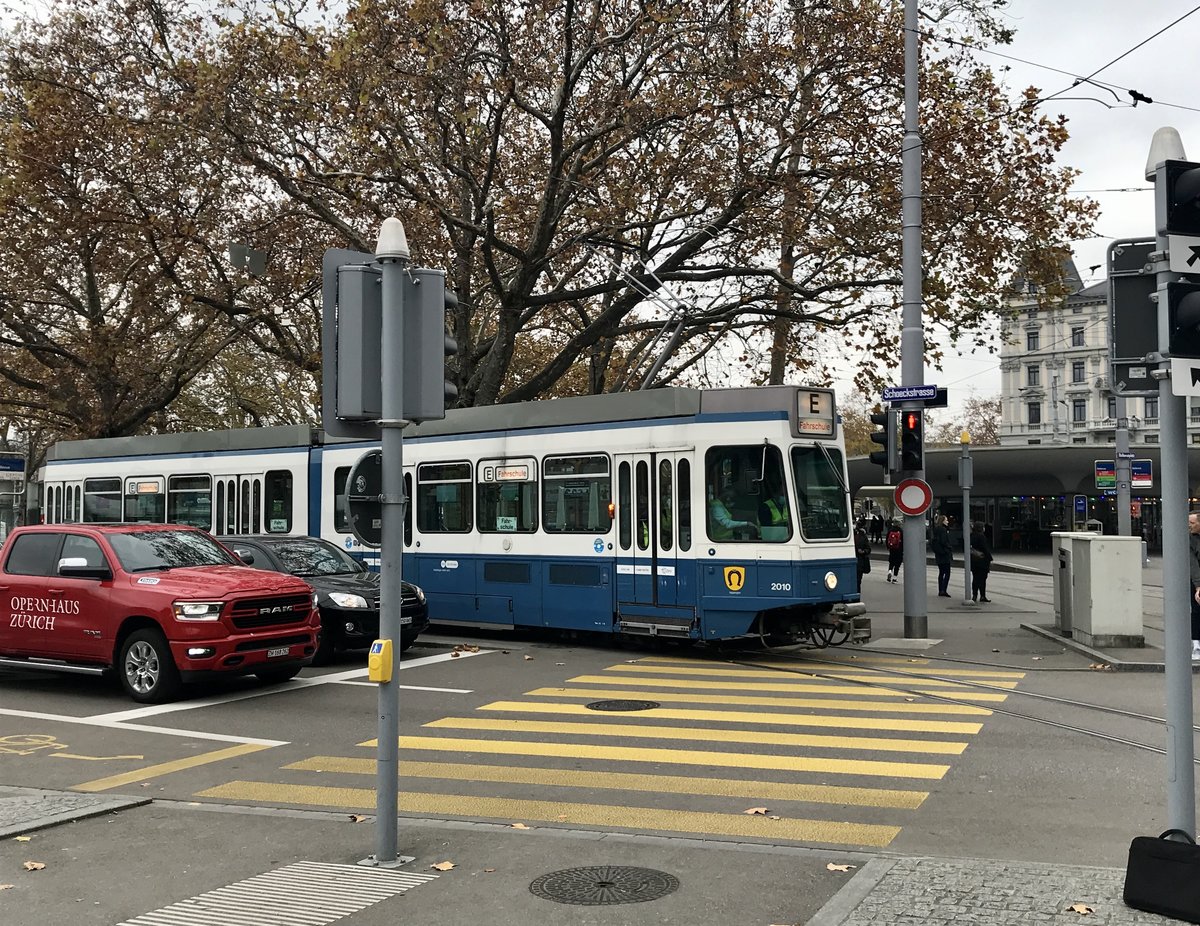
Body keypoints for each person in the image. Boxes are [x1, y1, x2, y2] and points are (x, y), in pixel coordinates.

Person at [969, 520, 993, 602]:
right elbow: (985, 548)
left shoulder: (971, 535)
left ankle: (974, 595)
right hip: (982, 560)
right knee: (982, 579)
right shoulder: (981, 536)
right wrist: (990, 558)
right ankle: (982, 595)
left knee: (975, 578)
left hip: (974, 560)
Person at [931, 514, 952, 597]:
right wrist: (949, 548)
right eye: (946, 520)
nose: (948, 521)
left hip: (938, 554)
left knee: (941, 572)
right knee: (947, 572)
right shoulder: (943, 530)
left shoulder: (936, 529)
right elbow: (944, 541)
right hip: (944, 554)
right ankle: (944, 590)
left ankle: (940, 590)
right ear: (942, 521)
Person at [1189, 513, 1200, 661]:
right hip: (1195, 580)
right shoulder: (1189, 539)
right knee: (1196, 611)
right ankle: (1196, 644)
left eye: (1192, 523)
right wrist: (1198, 585)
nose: (1189, 526)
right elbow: (1193, 564)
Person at [854, 519, 871, 591]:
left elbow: (868, 549)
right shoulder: (863, 536)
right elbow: (868, 549)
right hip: (860, 561)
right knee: (858, 581)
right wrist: (864, 551)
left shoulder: (852, 536)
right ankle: (857, 593)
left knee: (855, 580)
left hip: (856, 561)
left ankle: (856, 592)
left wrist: (863, 551)